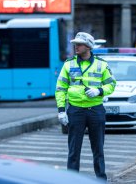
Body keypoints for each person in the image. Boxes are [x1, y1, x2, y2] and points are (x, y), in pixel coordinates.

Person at [55, 32, 116, 181]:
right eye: (75, 44)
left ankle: (101, 179)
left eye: (79, 44)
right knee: (74, 150)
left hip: (96, 110)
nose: (76, 46)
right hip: (75, 111)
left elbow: (111, 84)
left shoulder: (101, 64)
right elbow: (60, 88)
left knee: (98, 149)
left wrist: (99, 91)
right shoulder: (69, 64)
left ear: (88, 46)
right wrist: (61, 111)